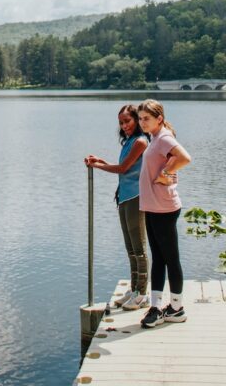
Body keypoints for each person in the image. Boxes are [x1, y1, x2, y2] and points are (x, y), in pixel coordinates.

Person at [85, 104, 149, 311]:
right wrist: (101, 161)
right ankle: (134, 289)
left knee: (139, 248)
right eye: (121, 123)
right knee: (130, 247)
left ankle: (142, 293)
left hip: (136, 197)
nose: (124, 126)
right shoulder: (129, 141)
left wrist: (97, 166)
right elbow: (123, 169)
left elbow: (123, 168)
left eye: (128, 121)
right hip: (124, 197)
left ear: (137, 120)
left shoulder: (140, 141)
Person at [137, 99, 191, 328]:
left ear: (159, 118)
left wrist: (166, 172)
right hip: (152, 206)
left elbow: (185, 158)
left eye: (146, 118)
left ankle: (177, 308)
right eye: (140, 118)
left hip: (164, 207)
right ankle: (157, 306)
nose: (142, 123)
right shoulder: (155, 138)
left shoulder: (164, 137)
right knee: (158, 258)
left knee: (170, 258)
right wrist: (164, 172)